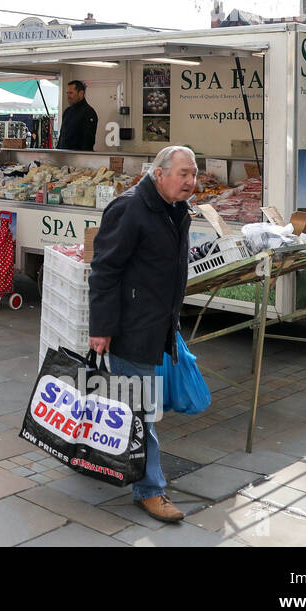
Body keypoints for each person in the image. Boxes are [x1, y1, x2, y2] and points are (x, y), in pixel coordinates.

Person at [88, 144, 198, 524]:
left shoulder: (174, 209)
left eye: (194, 174)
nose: (190, 182)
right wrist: (101, 328)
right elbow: (104, 270)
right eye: (183, 174)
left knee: (131, 408)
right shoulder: (130, 207)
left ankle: (103, 463)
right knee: (142, 413)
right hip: (132, 328)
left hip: (156, 325)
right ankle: (150, 490)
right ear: (160, 173)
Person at [57, 79, 99, 151]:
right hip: (63, 157)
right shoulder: (67, 112)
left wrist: (82, 159)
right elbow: (62, 136)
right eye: (67, 93)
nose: (68, 96)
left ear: (81, 93)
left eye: (71, 93)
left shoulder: (89, 112)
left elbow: (88, 141)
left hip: (78, 158)